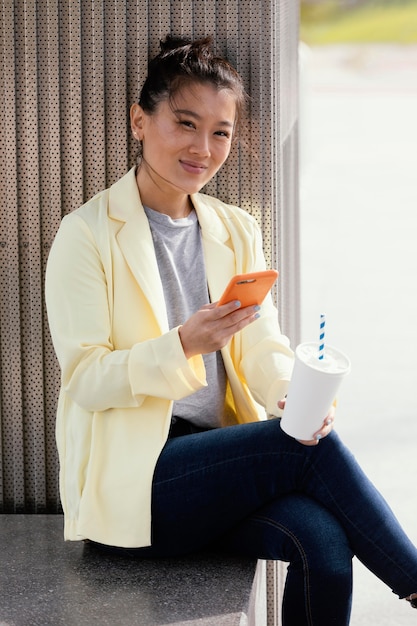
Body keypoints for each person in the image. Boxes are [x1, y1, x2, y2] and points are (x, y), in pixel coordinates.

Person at [45, 35, 417, 625]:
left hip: (219, 464)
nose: (202, 147)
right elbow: (86, 378)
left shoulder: (234, 227)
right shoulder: (86, 234)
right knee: (296, 446)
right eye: (185, 124)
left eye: (219, 132)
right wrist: (184, 344)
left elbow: (262, 341)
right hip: (140, 484)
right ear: (140, 121)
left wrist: (289, 393)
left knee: (322, 545)